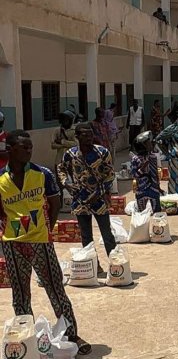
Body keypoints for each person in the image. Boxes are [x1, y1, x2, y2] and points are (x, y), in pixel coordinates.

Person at [0, 130, 91, 354]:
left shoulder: (43, 174)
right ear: (10, 149)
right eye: (24, 147)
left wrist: (45, 231)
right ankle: (26, 340)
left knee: (56, 287)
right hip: (12, 244)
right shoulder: (0, 180)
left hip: (41, 241)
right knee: (20, 294)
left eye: (30, 147)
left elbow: (55, 204)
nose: (29, 151)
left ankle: (71, 334)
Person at [57, 123, 117, 268]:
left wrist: (99, 193)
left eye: (91, 134)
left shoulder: (102, 152)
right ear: (77, 137)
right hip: (80, 200)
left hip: (99, 199)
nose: (89, 138)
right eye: (85, 135)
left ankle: (115, 264)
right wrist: (66, 183)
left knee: (107, 234)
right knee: (86, 236)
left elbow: (110, 175)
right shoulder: (70, 154)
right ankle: (93, 266)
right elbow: (61, 169)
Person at [130, 131, 161, 212]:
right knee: (141, 214)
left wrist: (158, 187)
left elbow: (155, 174)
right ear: (142, 146)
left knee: (157, 212)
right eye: (148, 144)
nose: (151, 145)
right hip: (141, 190)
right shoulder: (135, 159)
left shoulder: (153, 157)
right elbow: (134, 175)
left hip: (154, 189)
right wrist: (142, 168)